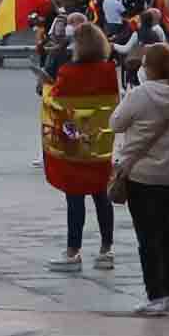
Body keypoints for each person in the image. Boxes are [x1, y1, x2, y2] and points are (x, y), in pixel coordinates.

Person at [107, 41, 169, 316]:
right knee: (167, 232)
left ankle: (155, 294)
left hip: (143, 174)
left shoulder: (142, 94)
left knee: (147, 236)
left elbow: (116, 123)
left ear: (151, 68)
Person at [41, 21, 120, 268]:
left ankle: (73, 251)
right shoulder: (109, 71)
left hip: (74, 145)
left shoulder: (68, 72)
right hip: (99, 144)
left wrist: (46, 86)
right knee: (101, 197)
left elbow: (56, 104)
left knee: (74, 198)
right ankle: (107, 249)